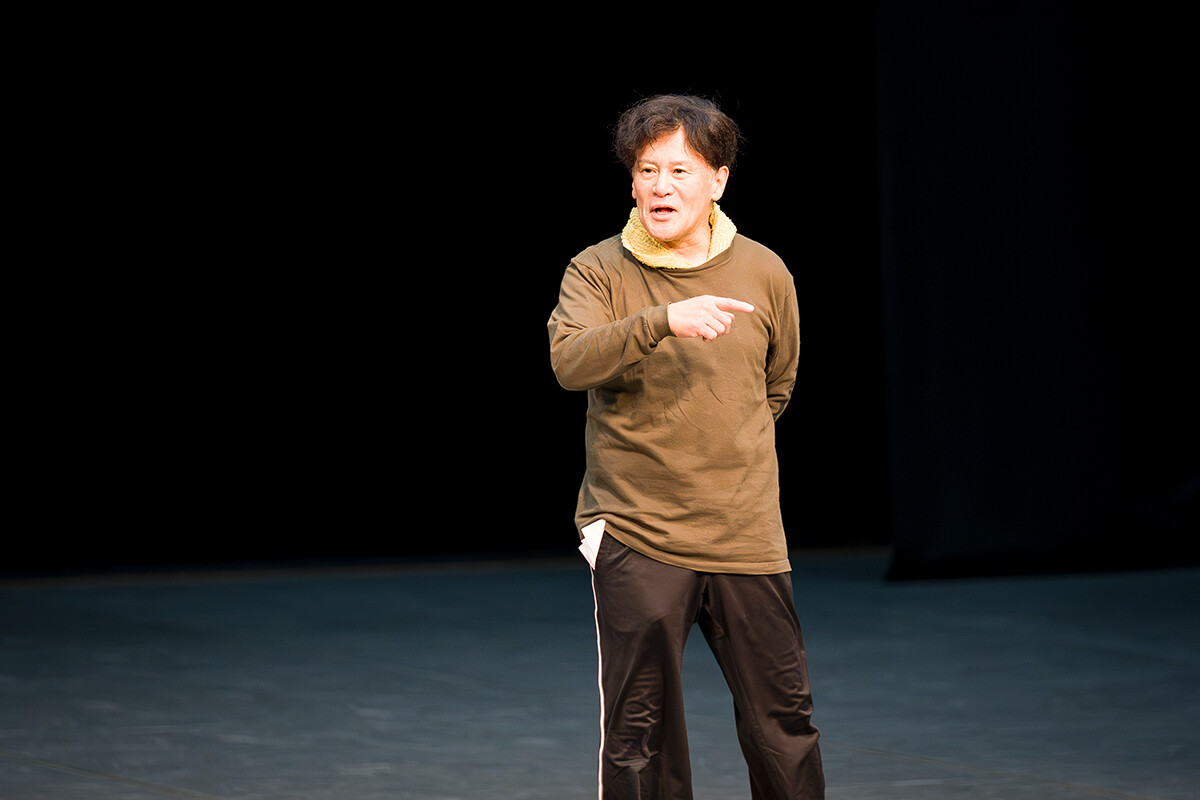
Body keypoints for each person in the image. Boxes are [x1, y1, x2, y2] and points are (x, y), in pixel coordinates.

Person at [547, 94, 825, 800]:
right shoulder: (597, 269)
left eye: (680, 170)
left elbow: (776, 386)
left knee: (783, 724)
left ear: (718, 180)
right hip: (639, 530)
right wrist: (663, 320)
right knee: (640, 734)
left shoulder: (764, 270)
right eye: (647, 170)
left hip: (745, 533)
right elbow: (570, 362)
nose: (660, 186)